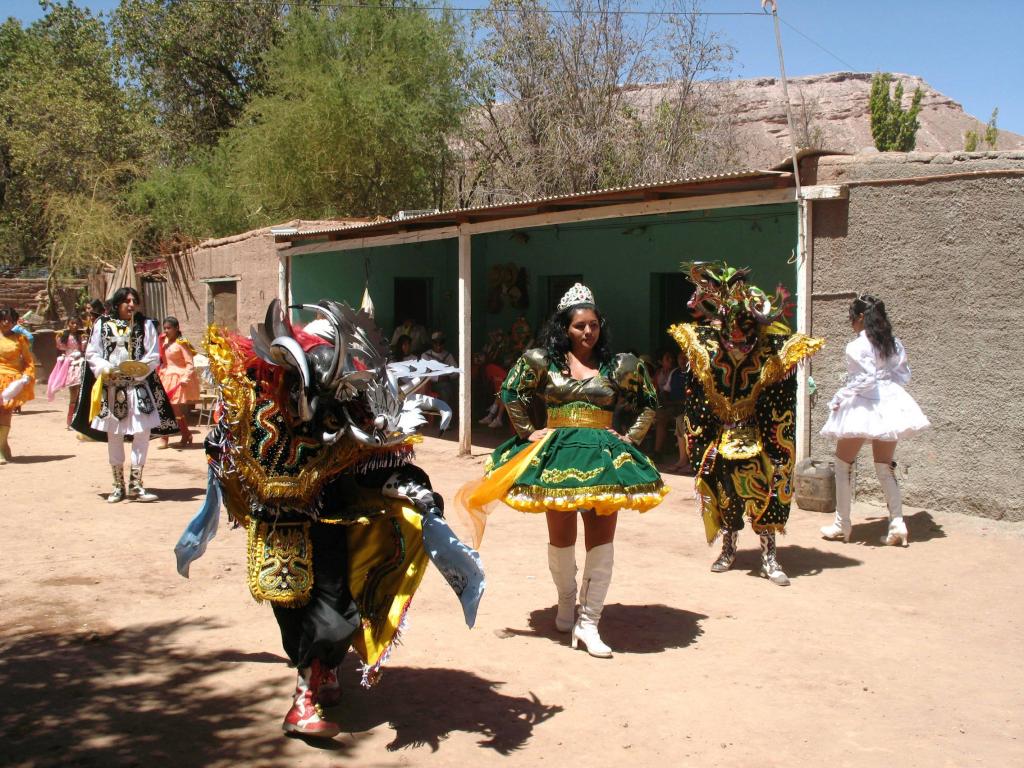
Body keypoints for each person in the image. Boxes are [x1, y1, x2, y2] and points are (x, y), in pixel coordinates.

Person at [175, 299, 483, 739]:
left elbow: (376, 460)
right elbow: (225, 450)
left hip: (332, 525)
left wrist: (415, 489)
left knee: (336, 614)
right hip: (278, 529)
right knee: (299, 616)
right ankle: (305, 696)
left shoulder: (352, 405)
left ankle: (318, 677)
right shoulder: (258, 402)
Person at [461, 283, 667, 658]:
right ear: (564, 329)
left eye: (593, 324)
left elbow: (648, 403)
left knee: (601, 541)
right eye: (579, 326)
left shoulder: (620, 365)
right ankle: (565, 605)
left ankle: (589, 623)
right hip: (557, 454)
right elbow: (510, 392)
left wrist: (630, 438)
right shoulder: (543, 361)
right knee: (561, 539)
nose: (588, 332)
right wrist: (528, 431)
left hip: (605, 458)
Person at [670, 263, 823, 586]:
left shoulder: (774, 355)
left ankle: (768, 556)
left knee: (763, 496)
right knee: (726, 499)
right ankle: (728, 550)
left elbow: (782, 405)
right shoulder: (706, 349)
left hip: (757, 437)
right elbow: (697, 401)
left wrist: (776, 448)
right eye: (730, 327)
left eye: (745, 326)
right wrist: (703, 439)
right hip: (722, 438)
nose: (737, 337)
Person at [819, 294, 930, 547]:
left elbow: (865, 380)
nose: (851, 324)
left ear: (860, 318)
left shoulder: (857, 346)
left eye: (852, 319)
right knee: (884, 466)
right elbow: (902, 375)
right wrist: (887, 389)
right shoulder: (893, 343)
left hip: (865, 406)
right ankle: (898, 524)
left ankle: (841, 524)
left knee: (842, 464)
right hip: (890, 404)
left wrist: (840, 396)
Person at [71, 287, 178, 502]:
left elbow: (153, 355)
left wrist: (137, 369)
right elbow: (92, 353)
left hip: (138, 387)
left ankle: (136, 484)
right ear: (117, 303)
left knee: (142, 434)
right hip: (112, 388)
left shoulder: (146, 325)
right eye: (127, 301)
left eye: (134, 301)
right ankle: (118, 486)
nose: (131, 304)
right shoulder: (101, 324)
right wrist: (105, 367)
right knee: (115, 435)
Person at [157, 316, 200, 448]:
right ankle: (185, 434)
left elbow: (189, 363)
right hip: (165, 376)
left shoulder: (181, 343)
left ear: (177, 328)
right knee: (165, 407)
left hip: (177, 378)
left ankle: (169, 436)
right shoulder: (163, 342)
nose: (166, 330)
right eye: (165, 328)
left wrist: (185, 378)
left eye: (169, 328)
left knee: (173, 408)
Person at [0, 307, 36, 463]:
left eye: (9, 319)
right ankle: (3, 445)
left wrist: (27, 375)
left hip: (11, 381)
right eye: (3, 319)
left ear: (14, 321)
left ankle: (0, 447)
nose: (6, 322)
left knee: (6, 413)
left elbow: (28, 361)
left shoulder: (20, 339)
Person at [47, 317, 87, 427]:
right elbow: (61, 349)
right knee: (73, 391)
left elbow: (83, 350)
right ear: (68, 324)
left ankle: (78, 419)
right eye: (72, 323)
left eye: (76, 323)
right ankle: (70, 419)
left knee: (81, 392)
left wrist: (83, 344)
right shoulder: (64, 336)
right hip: (70, 365)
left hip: (80, 363)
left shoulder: (81, 336)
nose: (74, 325)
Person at [420, 331, 458, 414]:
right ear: (432, 343)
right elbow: (424, 374)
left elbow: (456, 371)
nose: (438, 345)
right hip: (430, 384)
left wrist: (449, 377)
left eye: (441, 343)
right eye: (436, 343)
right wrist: (438, 378)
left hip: (447, 382)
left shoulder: (448, 355)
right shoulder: (426, 355)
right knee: (446, 388)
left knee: (451, 387)